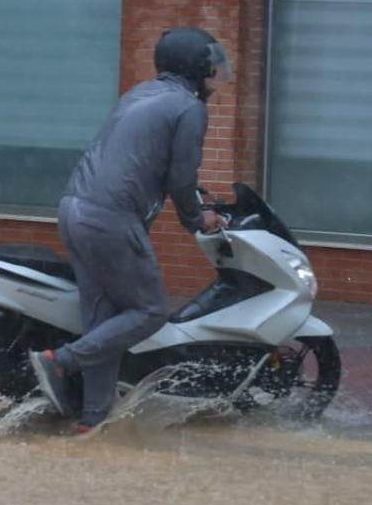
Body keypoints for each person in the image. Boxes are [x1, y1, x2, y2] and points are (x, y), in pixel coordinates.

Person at [29, 26, 230, 432]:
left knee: (104, 321)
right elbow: (181, 178)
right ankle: (60, 362)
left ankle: (92, 419)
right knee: (151, 310)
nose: (215, 74)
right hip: (110, 218)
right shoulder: (189, 109)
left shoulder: (141, 93)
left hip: (74, 207)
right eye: (211, 65)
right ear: (195, 67)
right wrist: (198, 219)